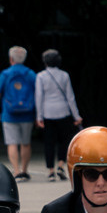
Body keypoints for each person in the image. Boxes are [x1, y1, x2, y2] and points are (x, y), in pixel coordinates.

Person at [0, 46, 37, 181]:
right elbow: (38, 94)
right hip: (27, 114)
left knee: (12, 143)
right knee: (25, 143)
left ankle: (16, 171)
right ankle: (25, 170)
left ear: (11, 58)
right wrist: (38, 114)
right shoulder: (30, 74)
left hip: (9, 114)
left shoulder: (5, 74)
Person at [34, 49, 79, 179]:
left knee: (49, 142)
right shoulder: (64, 75)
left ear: (45, 62)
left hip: (47, 113)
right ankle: (60, 165)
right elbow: (70, 97)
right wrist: (76, 116)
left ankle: (51, 171)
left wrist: (39, 116)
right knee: (63, 141)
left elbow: (39, 97)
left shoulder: (41, 76)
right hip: (63, 111)